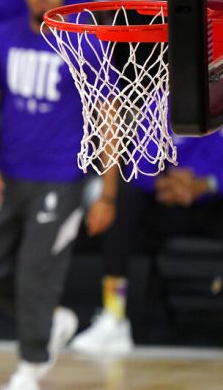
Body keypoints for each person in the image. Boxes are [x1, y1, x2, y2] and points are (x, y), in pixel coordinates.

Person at [0, 0, 117, 390]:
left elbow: (108, 116)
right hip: (7, 173)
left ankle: (31, 365)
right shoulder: (4, 36)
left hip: (61, 176)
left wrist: (107, 194)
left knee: (35, 274)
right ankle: (50, 319)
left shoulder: (85, 40)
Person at [70, 131, 223, 355]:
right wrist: (163, 182)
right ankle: (114, 316)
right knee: (122, 200)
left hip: (215, 201)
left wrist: (208, 183)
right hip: (168, 198)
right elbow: (138, 163)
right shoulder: (162, 102)